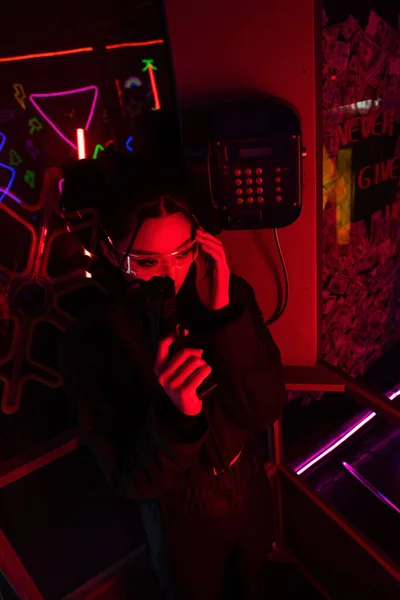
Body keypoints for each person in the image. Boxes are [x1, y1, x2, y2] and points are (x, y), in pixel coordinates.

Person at [59, 149, 286, 600]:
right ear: (110, 249)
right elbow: (131, 478)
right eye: (145, 261)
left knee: (257, 583)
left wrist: (223, 317)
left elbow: (264, 410)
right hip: (180, 517)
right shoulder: (93, 341)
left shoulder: (226, 296)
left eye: (182, 253)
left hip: (249, 487)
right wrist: (178, 420)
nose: (170, 274)